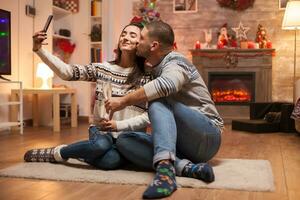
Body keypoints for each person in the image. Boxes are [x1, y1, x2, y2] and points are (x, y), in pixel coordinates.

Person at [105, 20, 224, 199]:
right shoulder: (154, 69)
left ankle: (165, 175)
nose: (137, 41)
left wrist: (122, 101)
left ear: (153, 45)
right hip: (183, 145)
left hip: (207, 136)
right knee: (124, 141)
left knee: (158, 99)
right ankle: (186, 167)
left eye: (141, 38)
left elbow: (167, 85)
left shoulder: (177, 61)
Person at [23, 22, 151, 170]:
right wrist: (39, 50)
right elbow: (68, 72)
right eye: (123, 34)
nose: (125, 37)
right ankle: (58, 152)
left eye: (132, 35)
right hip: (102, 131)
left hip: (129, 138)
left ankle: (84, 152)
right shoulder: (103, 69)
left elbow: (149, 115)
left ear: (140, 43)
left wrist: (121, 127)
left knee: (111, 162)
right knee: (100, 145)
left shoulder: (148, 77)